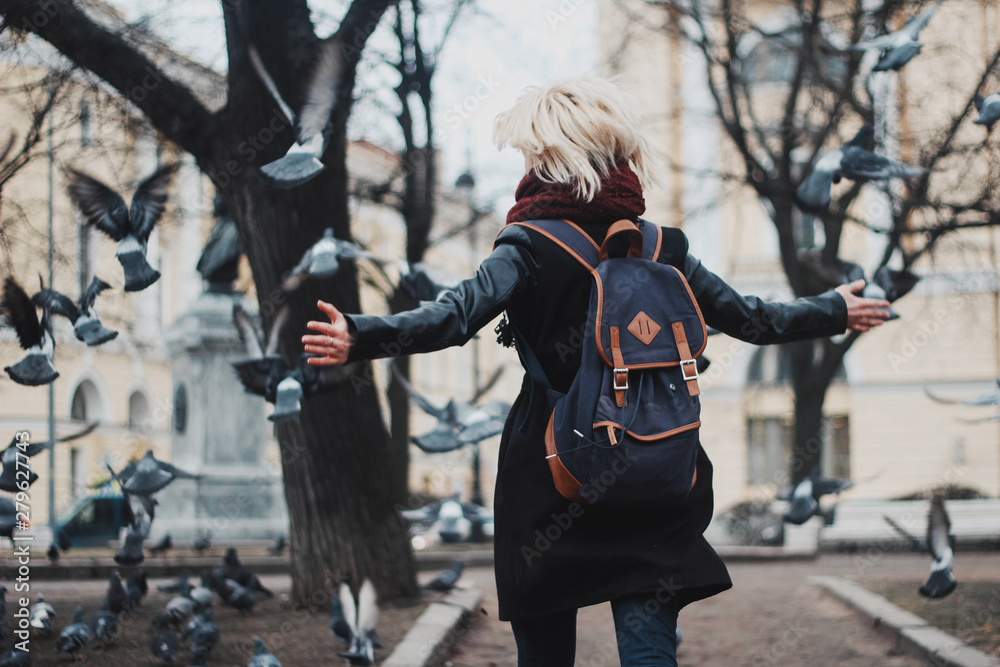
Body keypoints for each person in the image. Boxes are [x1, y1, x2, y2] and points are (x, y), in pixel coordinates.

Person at [301, 78, 890, 666]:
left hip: (553, 468)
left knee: (546, 652)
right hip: (652, 461)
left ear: (547, 155)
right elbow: (755, 320)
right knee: (648, 647)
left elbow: (451, 319)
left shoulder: (525, 246)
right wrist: (835, 307)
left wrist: (361, 335)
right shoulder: (664, 247)